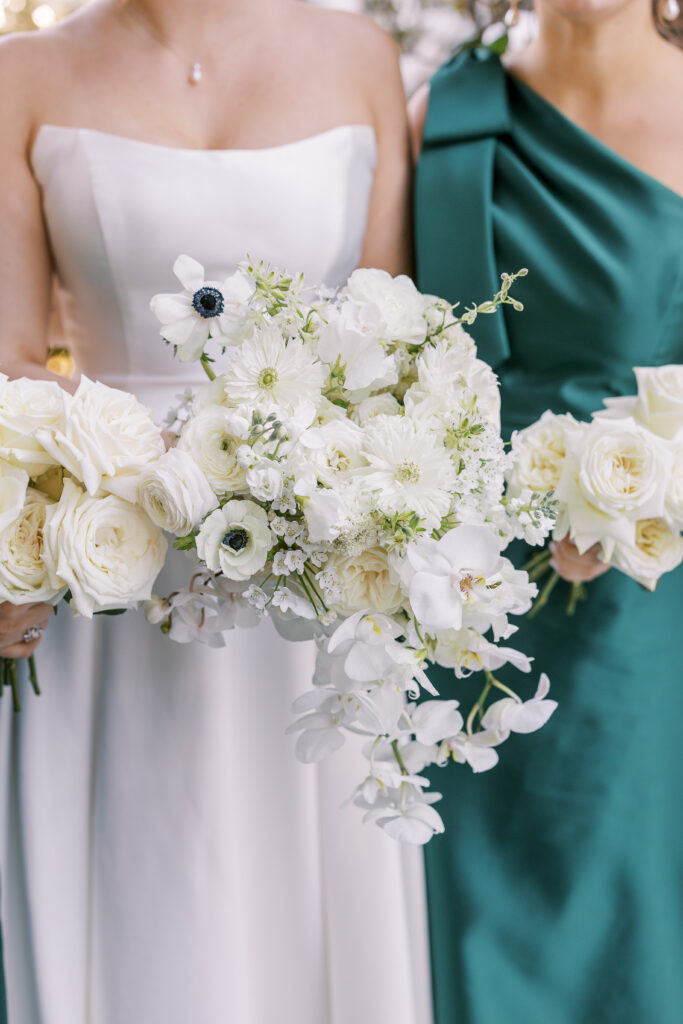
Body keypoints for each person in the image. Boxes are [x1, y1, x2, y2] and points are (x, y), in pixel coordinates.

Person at [0, 2, 434, 1021]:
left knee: (309, 906)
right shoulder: (23, 74)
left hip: (313, 574)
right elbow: (11, 359)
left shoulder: (362, 56)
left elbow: (390, 342)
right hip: (107, 565)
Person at [410, 0, 683, 1020]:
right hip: (460, 598)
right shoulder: (439, 110)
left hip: (649, 608)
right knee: (473, 915)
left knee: (624, 905)